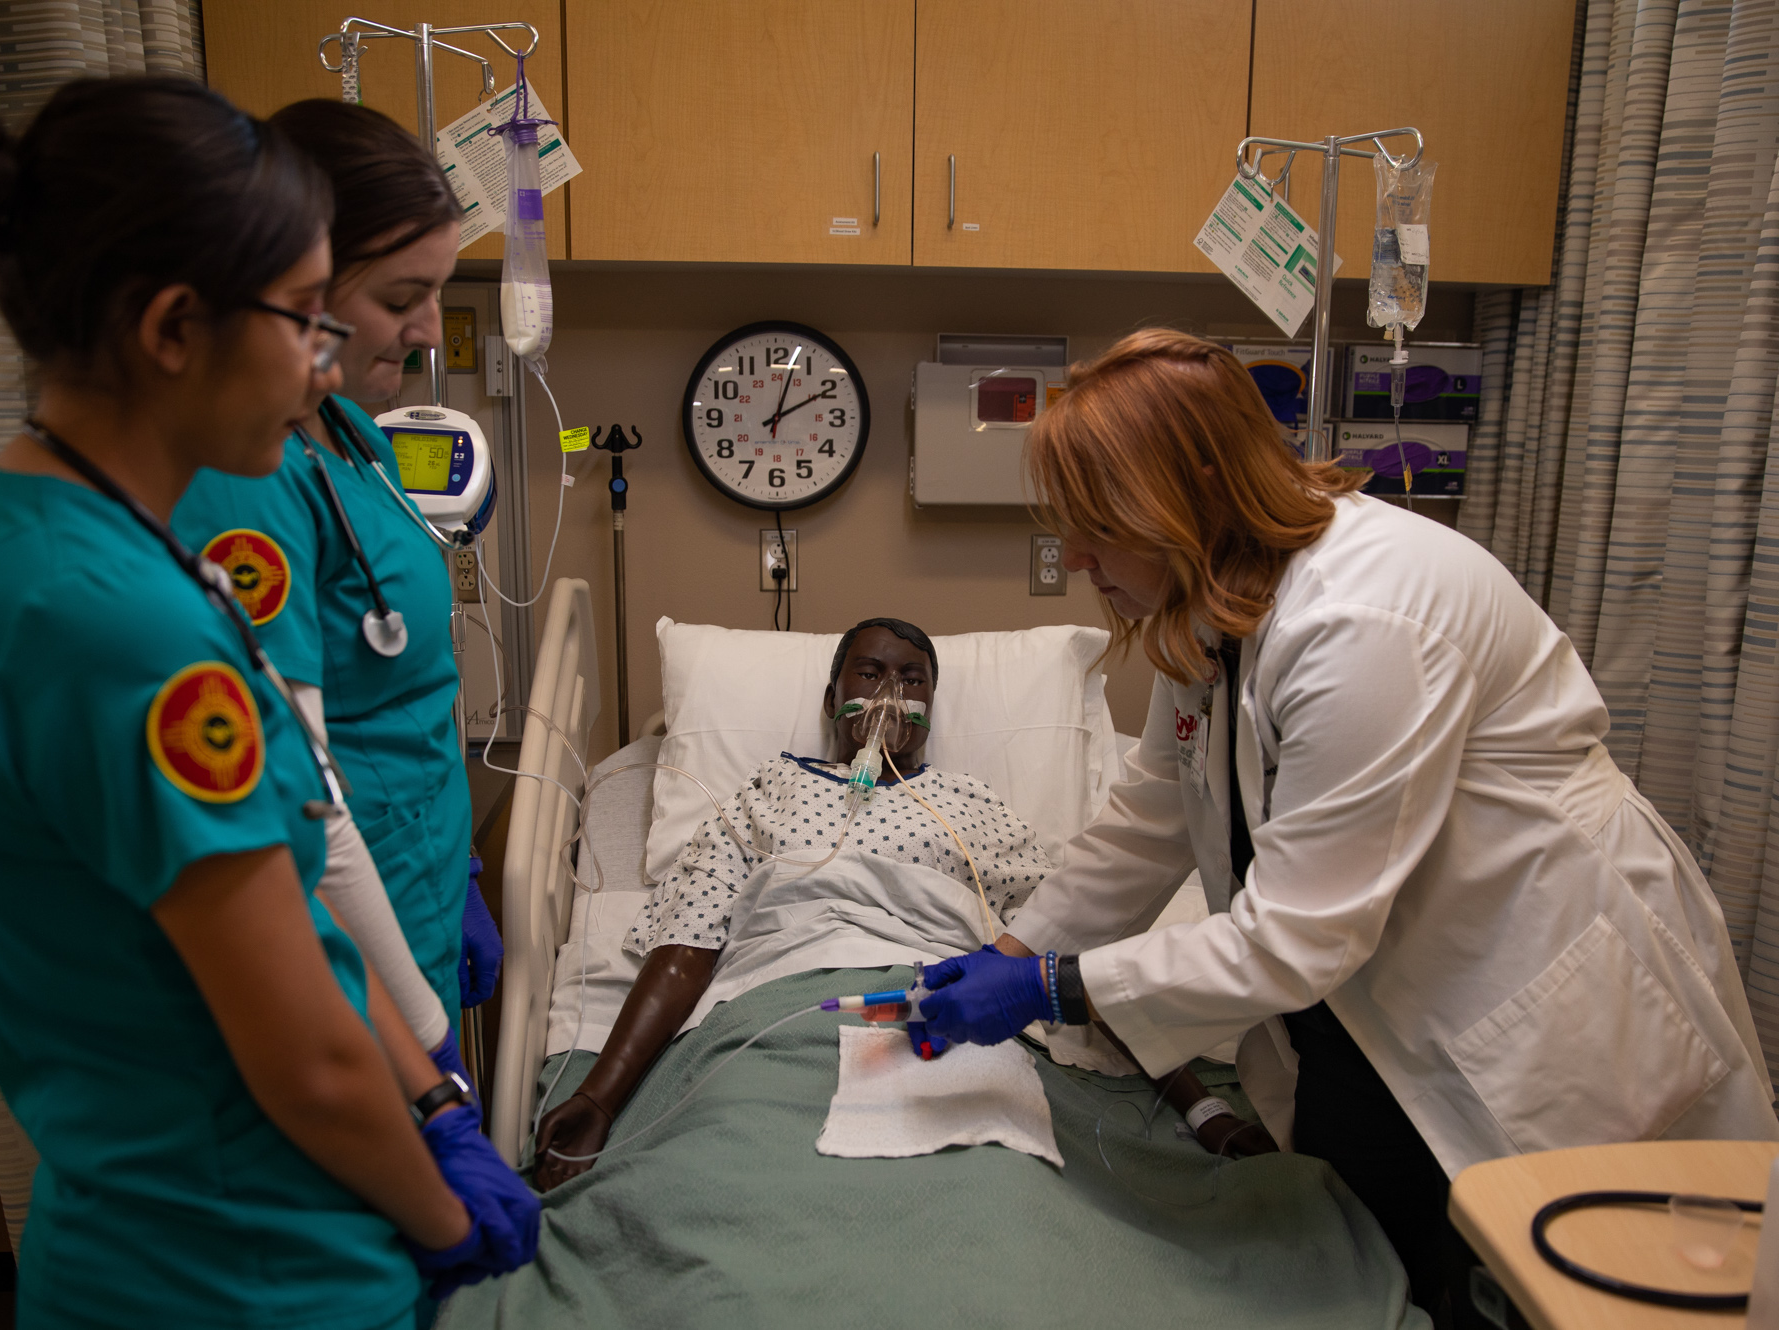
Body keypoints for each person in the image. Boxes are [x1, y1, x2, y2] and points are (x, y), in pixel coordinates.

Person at [913, 329, 1779, 1324]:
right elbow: (1153, 813)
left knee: (1561, 1287)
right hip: (1360, 999)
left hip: (1530, 982)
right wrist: (1014, 948)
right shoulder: (1207, 604)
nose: (1073, 559)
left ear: (1188, 496)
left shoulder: (1365, 617)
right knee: (1375, 1265)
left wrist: (1051, 986)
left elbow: (1293, 937)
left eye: (1096, 527)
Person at [0, 72, 535, 1327]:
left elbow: (295, 902)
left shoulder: (70, 544)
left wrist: (432, 1097)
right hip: (239, 1268)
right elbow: (307, 1055)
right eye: (302, 317)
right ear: (175, 327)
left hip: (207, 1233)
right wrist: (447, 1217)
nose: (321, 359)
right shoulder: (115, 627)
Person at [531, 618, 1267, 1191]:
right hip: (776, 1014)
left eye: (913, 679)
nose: (891, 691)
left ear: (930, 711)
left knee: (995, 1182)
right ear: (833, 699)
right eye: (870, 671)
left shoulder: (970, 804)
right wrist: (598, 1099)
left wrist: (1200, 1105)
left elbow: (1074, 946)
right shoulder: (767, 791)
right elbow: (687, 944)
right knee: (736, 1167)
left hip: (943, 1015)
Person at [171, 99, 497, 1069]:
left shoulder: (352, 431)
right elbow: (295, 801)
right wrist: (423, 1046)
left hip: (418, 884)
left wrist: (462, 869)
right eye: (401, 298)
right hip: (352, 947)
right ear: (299, 280)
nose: (429, 331)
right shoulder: (245, 477)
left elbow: (407, 684)